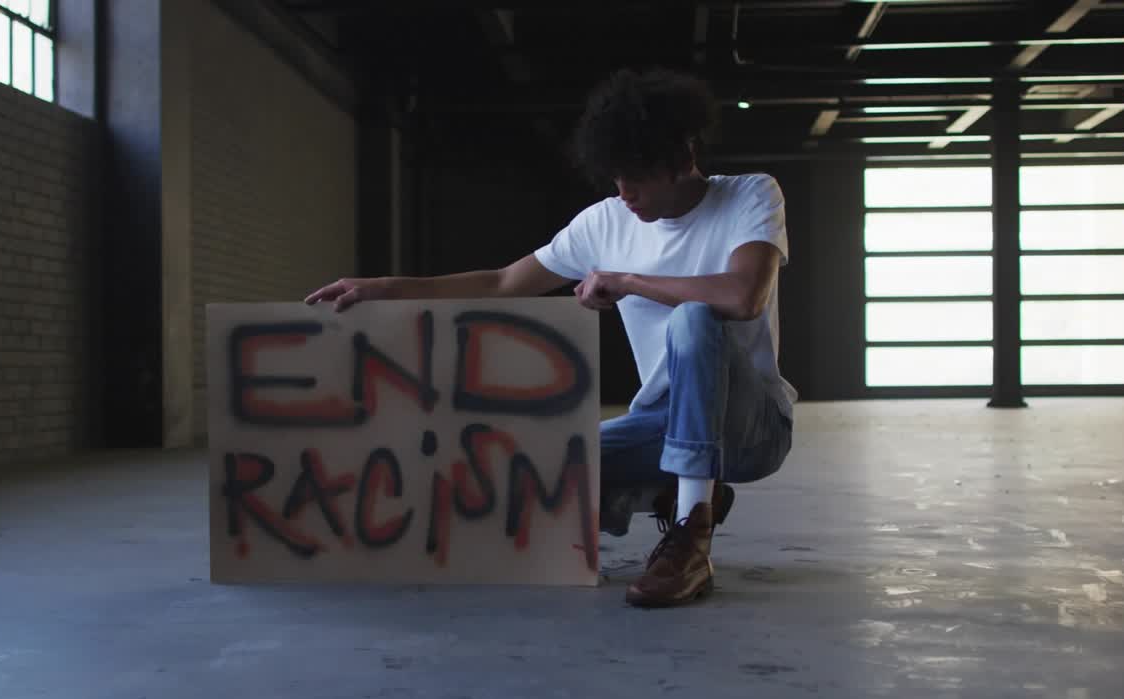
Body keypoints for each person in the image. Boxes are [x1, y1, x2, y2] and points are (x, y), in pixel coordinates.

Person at [305, 67, 796, 608]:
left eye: (637, 174)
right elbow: (502, 281)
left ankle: (690, 533)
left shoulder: (751, 195)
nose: (625, 191)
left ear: (682, 158)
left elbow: (743, 294)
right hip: (662, 420)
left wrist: (628, 281)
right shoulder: (604, 224)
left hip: (752, 427)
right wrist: (384, 288)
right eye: (615, 176)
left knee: (694, 319)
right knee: (531, 468)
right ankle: (675, 484)